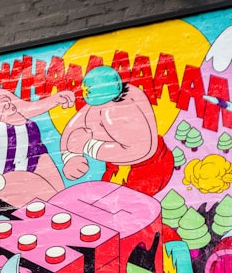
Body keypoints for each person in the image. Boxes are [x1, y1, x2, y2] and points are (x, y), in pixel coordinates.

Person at [60, 66, 173, 196]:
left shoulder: (124, 107)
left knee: (128, 204)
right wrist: (70, 157)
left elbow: (139, 149)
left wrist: (87, 146)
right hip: (117, 167)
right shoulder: (96, 104)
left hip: (149, 166)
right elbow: (72, 128)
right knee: (106, 201)